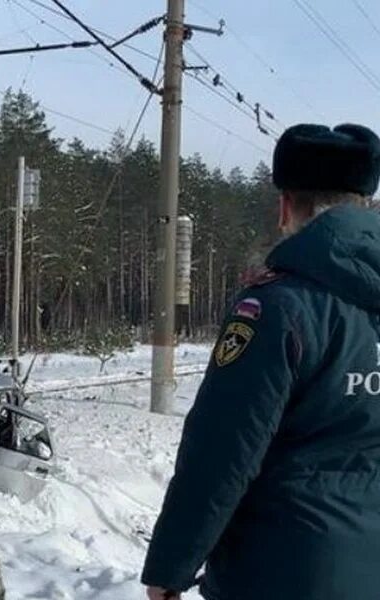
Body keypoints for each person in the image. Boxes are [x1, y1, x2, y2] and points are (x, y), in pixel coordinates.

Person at [141, 123, 380, 600]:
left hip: (282, 570)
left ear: (285, 207)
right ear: (367, 205)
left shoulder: (278, 309)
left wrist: (171, 567)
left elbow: (223, 450)